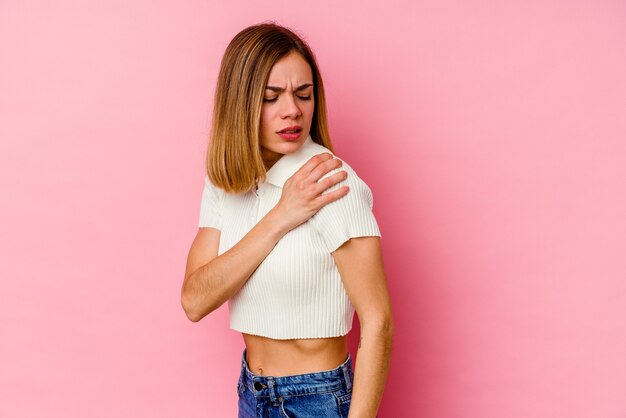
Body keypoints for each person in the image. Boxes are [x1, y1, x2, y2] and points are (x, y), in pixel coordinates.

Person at [181, 22, 393, 418]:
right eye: (270, 97)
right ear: (240, 103)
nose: (292, 110)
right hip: (252, 392)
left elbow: (379, 322)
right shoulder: (225, 183)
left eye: (304, 94)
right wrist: (280, 217)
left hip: (317, 398)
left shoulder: (329, 183)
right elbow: (195, 300)